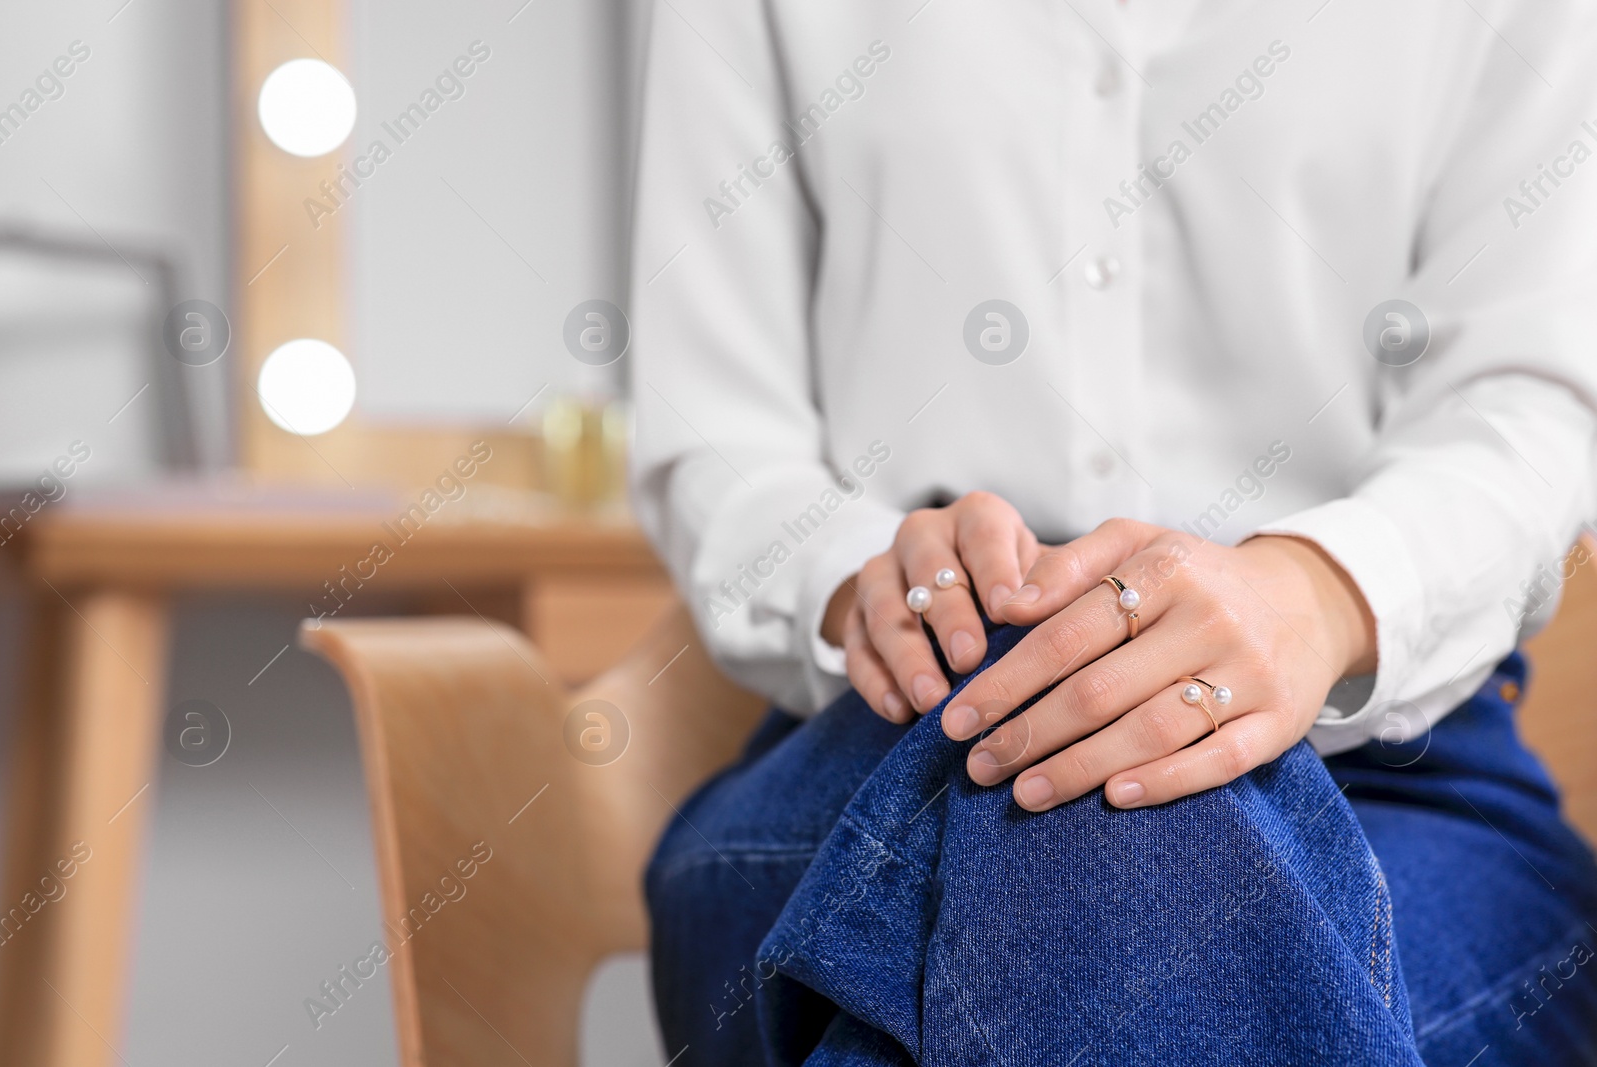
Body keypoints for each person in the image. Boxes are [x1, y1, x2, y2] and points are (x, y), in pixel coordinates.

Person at [629, 1, 1597, 1062]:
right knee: (1102, 806)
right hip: (884, 745)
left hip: (1395, 772)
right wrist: (858, 578)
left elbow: (1532, 405)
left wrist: (1318, 595)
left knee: (1102, 833)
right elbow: (715, 436)